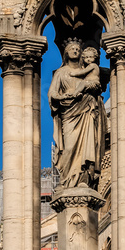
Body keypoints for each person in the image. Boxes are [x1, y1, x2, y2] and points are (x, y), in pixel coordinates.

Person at [48, 39, 107, 188]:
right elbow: (52, 93)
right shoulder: (61, 73)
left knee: (87, 146)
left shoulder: (88, 70)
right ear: (66, 53)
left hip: (86, 110)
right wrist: (63, 97)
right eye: (72, 49)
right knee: (68, 148)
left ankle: (83, 179)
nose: (75, 51)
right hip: (69, 112)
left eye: (77, 49)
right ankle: (67, 180)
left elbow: (96, 85)